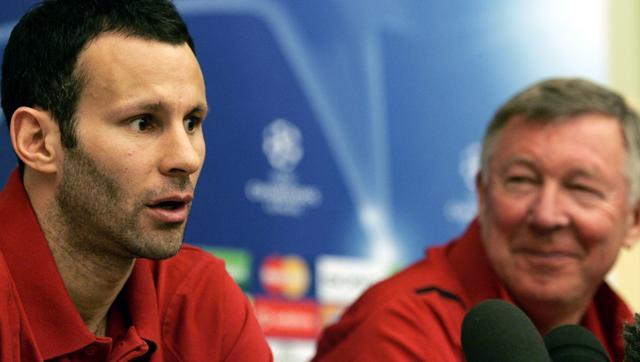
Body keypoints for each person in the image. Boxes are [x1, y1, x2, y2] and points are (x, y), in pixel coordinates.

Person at [0, 0, 272, 360]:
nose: (186, 159)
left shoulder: (202, 302)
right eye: (143, 122)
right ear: (37, 141)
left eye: (192, 122)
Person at [313, 78, 640, 361]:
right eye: (521, 181)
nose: (546, 215)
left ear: (634, 220)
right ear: (482, 195)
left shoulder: (621, 334)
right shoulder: (398, 330)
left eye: (581, 188)